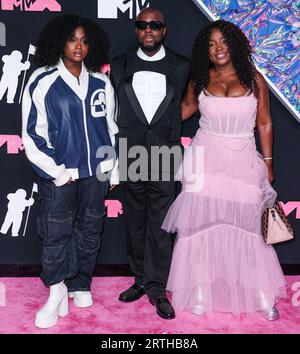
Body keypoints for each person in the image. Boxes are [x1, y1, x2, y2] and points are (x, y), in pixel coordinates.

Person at [162, 20, 287, 320]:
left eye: (223, 42)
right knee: (199, 228)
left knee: (249, 232)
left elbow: (265, 122)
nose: (217, 49)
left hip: (243, 159)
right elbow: (181, 112)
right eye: (210, 44)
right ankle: (200, 291)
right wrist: (145, 116)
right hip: (204, 159)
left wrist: (268, 163)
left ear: (235, 44)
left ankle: (260, 293)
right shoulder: (200, 80)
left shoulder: (255, 80)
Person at [22, 15, 118, 328]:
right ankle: (56, 290)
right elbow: (32, 135)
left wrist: (112, 168)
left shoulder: (101, 81)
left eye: (84, 40)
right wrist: (58, 172)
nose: (79, 46)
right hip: (61, 174)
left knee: (90, 230)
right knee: (55, 234)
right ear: (60, 41)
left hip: (96, 174)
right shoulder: (42, 80)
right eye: (72, 39)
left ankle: (79, 283)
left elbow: (111, 128)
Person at [110, 7, 189, 320]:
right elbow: (112, 114)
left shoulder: (181, 66)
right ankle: (140, 279)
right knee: (134, 222)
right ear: (136, 29)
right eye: (142, 25)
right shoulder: (119, 65)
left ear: (164, 30)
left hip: (165, 154)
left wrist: (169, 128)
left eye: (154, 25)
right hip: (130, 153)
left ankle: (158, 287)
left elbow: (188, 104)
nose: (148, 30)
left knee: (161, 225)